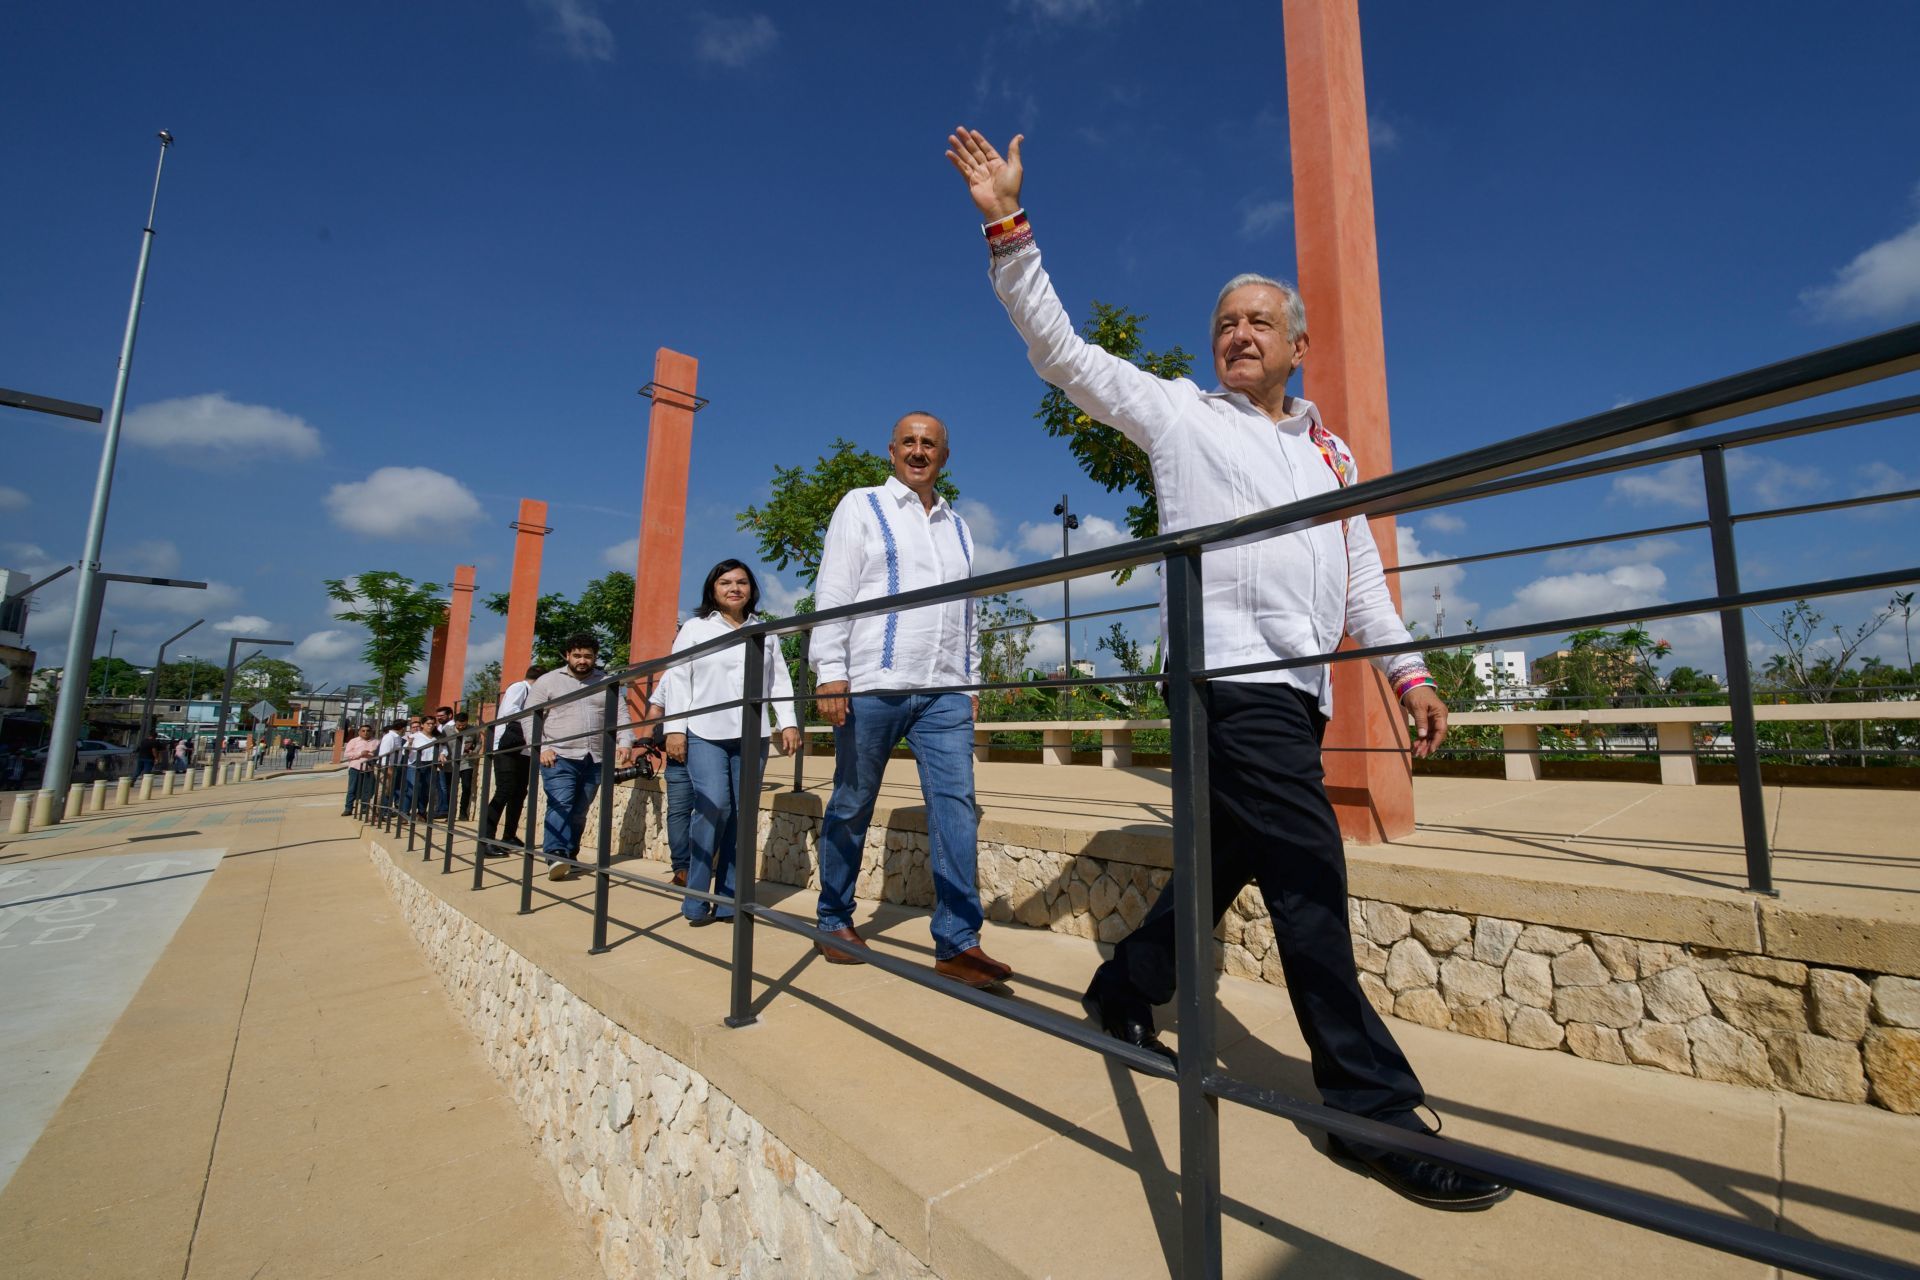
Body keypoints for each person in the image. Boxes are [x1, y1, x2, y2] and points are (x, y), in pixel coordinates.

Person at [945, 126, 1506, 1211]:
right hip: (1221, 682)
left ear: (1296, 345)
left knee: (1229, 863)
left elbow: (1359, 579)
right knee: (1308, 877)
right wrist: (1007, 225)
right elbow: (1062, 350)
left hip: (1293, 693)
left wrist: (1407, 675)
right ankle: (1368, 1110)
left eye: (1259, 321)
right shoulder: (1175, 415)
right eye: (1224, 323)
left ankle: (1123, 985)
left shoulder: (1326, 454)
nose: (1239, 333)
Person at [810, 411, 1009, 989]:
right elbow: (835, 588)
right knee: (851, 802)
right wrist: (831, 672)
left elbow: (968, 608)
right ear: (892, 451)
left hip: (945, 690)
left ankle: (958, 944)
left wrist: (971, 684)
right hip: (874, 682)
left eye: (930, 444)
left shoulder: (960, 526)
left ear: (944, 456)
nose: (919, 451)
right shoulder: (861, 505)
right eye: (909, 442)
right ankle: (834, 918)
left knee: (957, 808)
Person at [656, 561, 801, 924]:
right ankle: (696, 896)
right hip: (705, 731)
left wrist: (788, 723)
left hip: (751, 734)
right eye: (725, 582)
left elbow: (778, 680)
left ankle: (729, 900)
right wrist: (675, 728)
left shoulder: (764, 630)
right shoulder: (695, 628)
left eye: (741, 582)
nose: (734, 588)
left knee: (742, 815)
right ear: (713, 588)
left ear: (752, 588)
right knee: (714, 806)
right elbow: (678, 677)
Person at [527, 634, 635, 881]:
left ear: (595, 657)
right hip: (559, 754)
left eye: (588, 656)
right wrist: (541, 747)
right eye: (577, 655)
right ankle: (555, 853)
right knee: (560, 802)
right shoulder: (548, 681)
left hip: (595, 756)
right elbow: (529, 717)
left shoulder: (607, 682)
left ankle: (569, 854)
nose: (582, 660)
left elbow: (621, 714)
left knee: (579, 810)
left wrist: (625, 741)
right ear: (567, 656)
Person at [482, 664, 545, 853]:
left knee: (519, 793)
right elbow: (510, 712)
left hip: (523, 748)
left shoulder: (533, 694)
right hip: (506, 747)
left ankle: (509, 836)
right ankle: (486, 839)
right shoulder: (519, 688)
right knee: (505, 790)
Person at [342, 723, 378, 815]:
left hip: (369, 768)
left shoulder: (376, 742)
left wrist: (371, 754)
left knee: (367, 790)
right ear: (359, 732)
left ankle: (364, 808)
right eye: (363, 731)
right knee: (352, 789)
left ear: (371, 732)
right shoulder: (353, 741)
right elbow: (347, 754)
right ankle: (348, 808)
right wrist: (360, 753)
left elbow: (379, 754)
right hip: (355, 767)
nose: (365, 733)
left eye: (368, 731)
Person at [452, 712, 477, 820]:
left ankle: (463, 813)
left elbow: (479, 743)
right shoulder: (448, 730)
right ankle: (450, 813)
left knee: (466, 787)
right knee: (451, 788)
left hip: (466, 762)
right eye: (459, 725)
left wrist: (474, 751)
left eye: (464, 725)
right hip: (451, 764)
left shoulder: (473, 730)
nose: (461, 727)